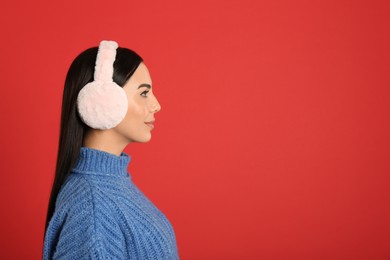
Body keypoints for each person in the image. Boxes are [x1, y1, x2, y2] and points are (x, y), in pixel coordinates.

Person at [43, 40, 179, 259]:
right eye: (144, 93)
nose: (156, 105)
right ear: (104, 101)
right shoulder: (93, 208)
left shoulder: (111, 185)